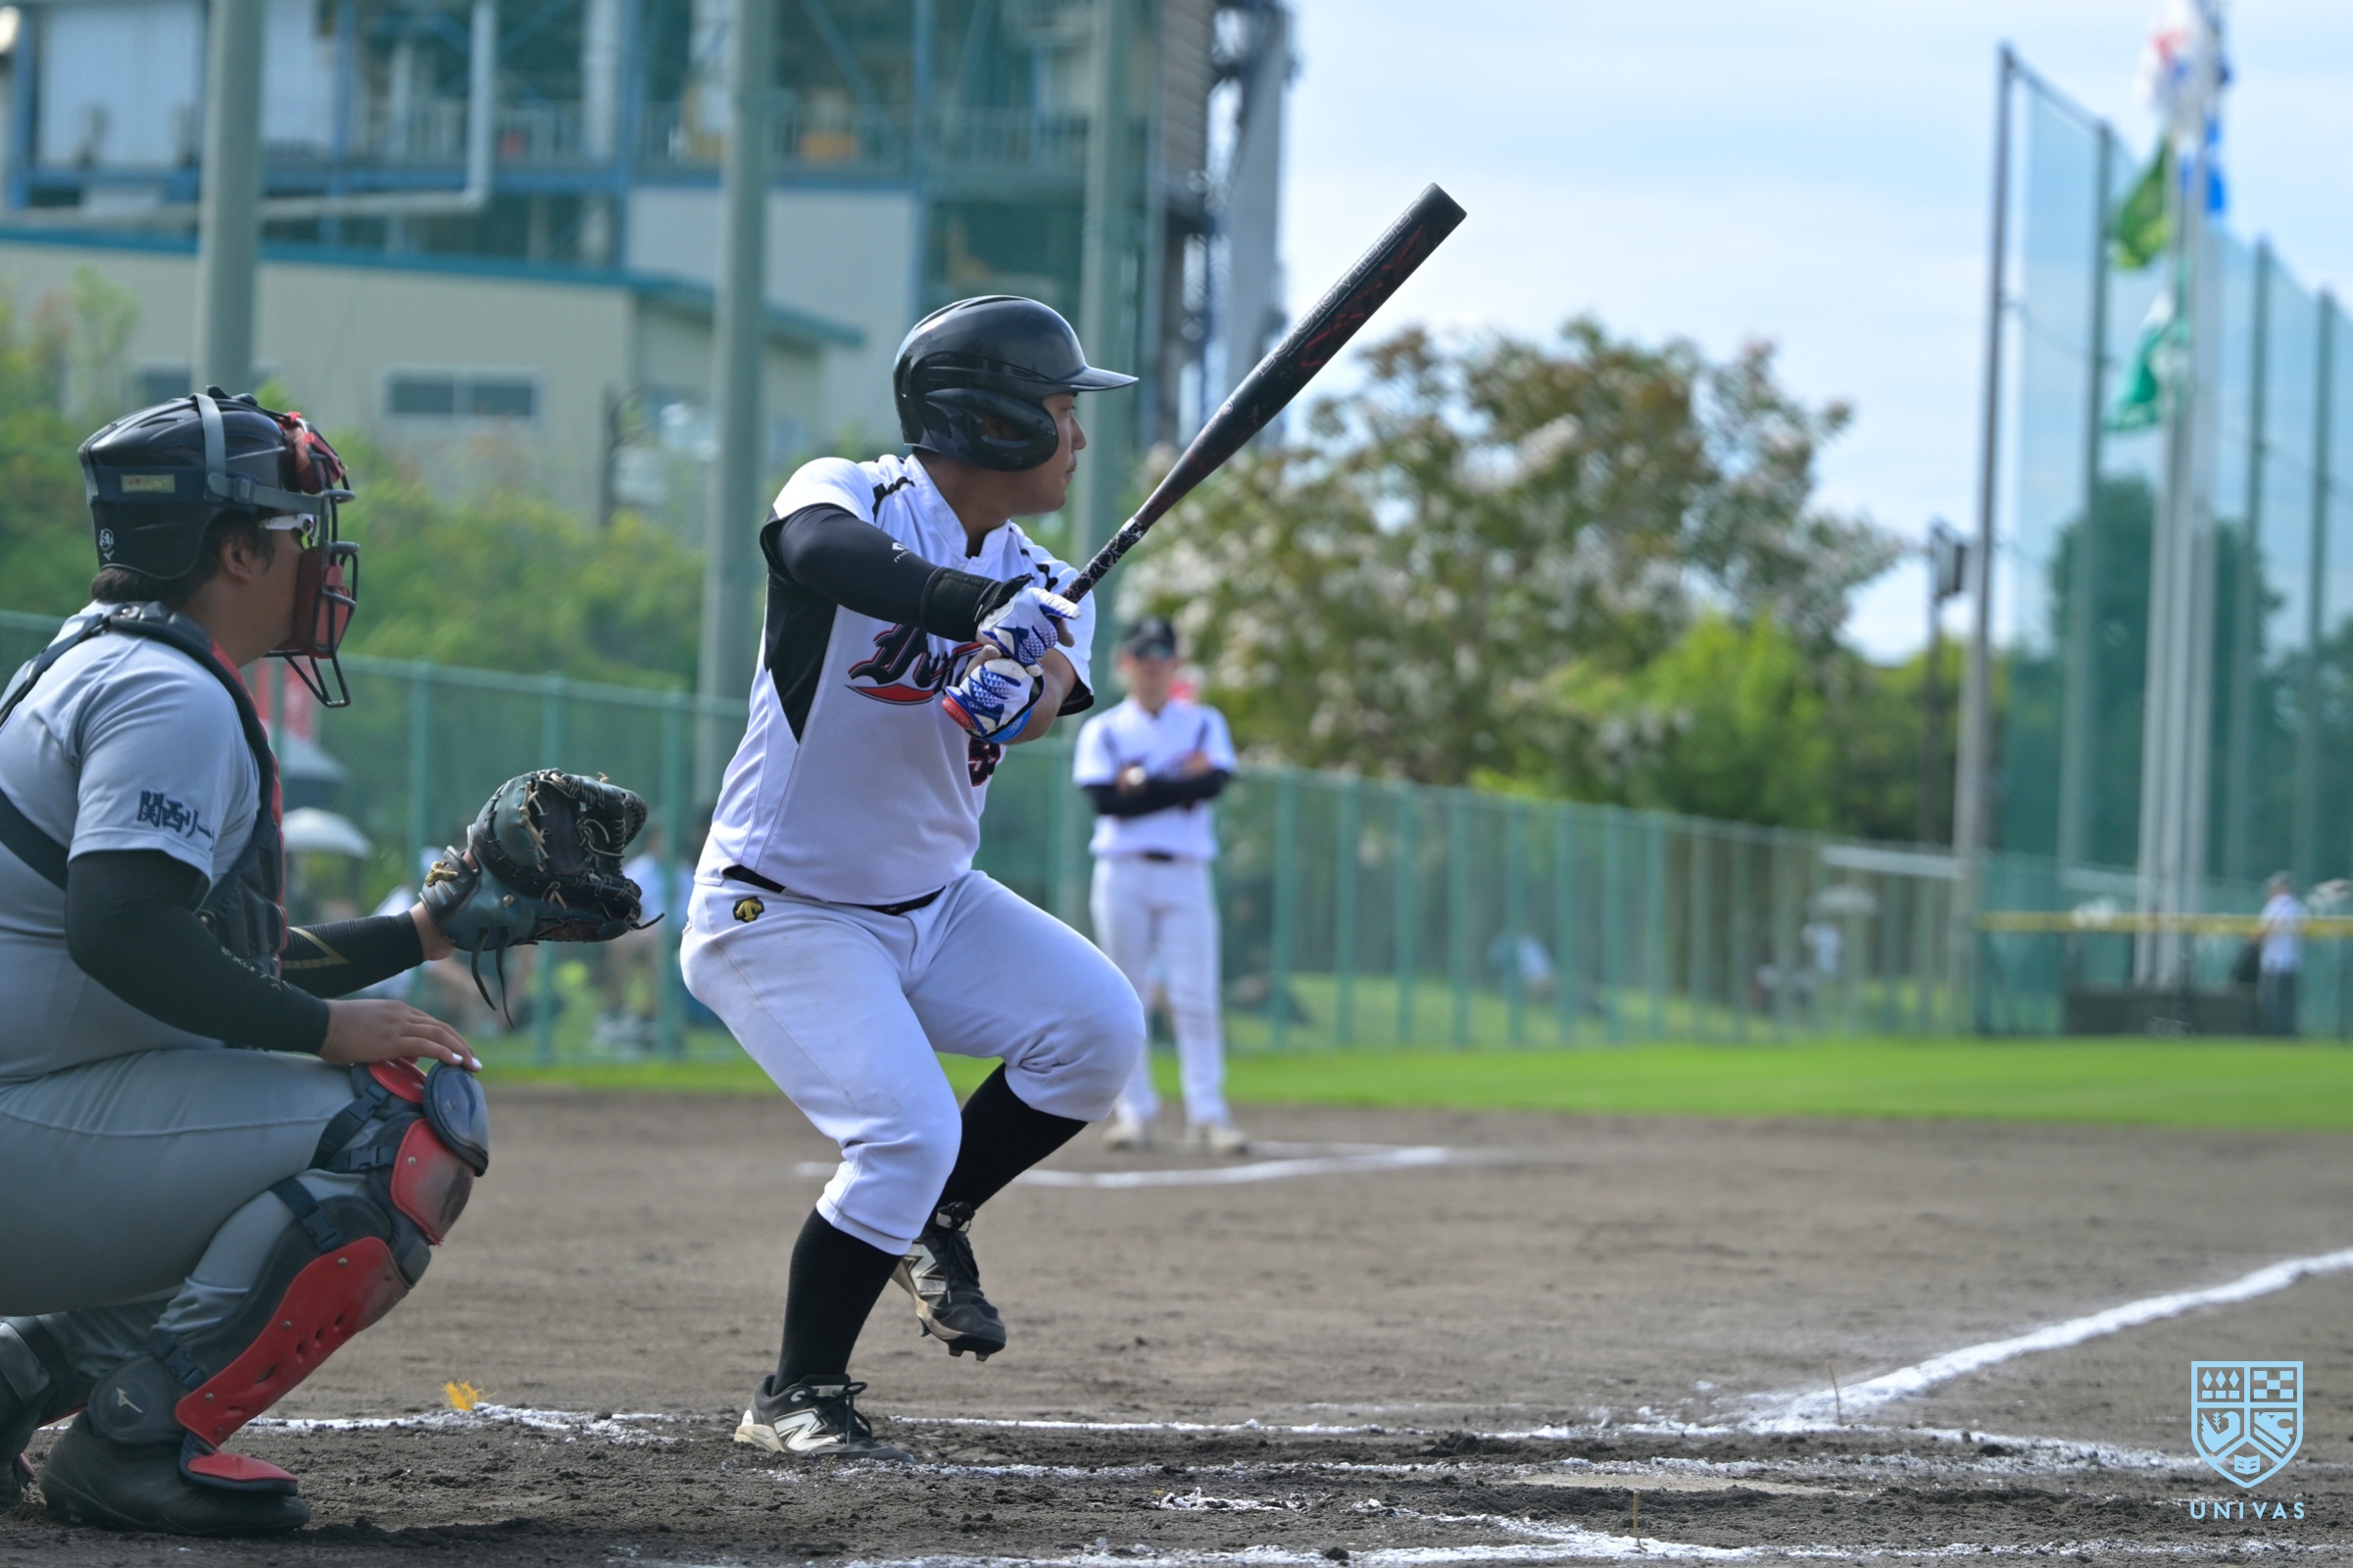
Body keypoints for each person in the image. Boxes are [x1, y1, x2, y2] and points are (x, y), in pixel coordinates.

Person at [0, 392, 494, 1536]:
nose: (314, 557)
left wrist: (426, 933)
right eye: (293, 529)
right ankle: (135, 1444)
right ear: (234, 550)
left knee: (281, 1147)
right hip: (23, 1131)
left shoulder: (99, 664)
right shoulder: (168, 692)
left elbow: (216, 960)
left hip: (31, 1115)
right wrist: (328, 1029)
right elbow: (124, 931)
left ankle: (16, 1376)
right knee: (393, 1126)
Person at [681, 296, 1146, 1462]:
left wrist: (1018, 686)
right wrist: (974, 610)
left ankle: (937, 1217)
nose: (1077, 436)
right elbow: (818, 555)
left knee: (1097, 1029)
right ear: (990, 421)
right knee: (904, 1129)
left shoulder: (1050, 580)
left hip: (933, 905)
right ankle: (795, 1392)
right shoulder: (847, 492)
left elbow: (1047, 699)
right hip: (779, 909)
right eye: (1059, 409)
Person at [1072, 616, 1244, 1153]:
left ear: (1176, 664)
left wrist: (1142, 781)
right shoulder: (1104, 729)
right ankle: (1136, 1114)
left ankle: (1208, 1114)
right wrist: (1179, 781)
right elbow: (1107, 802)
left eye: (1161, 656)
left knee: (1196, 995)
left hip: (1186, 870)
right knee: (1128, 995)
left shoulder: (1203, 723)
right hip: (1122, 870)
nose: (1151, 667)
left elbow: (1214, 783)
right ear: (1124, 662)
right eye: (1141, 656)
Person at [2257, 872, 2305, 1037]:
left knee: (2273, 1001)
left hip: (2274, 961)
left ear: (2283, 887)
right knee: (2288, 1001)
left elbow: (2262, 931)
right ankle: (2288, 1032)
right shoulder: (2298, 906)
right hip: (2291, 961)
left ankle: (2275, 1033)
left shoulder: (2277, 904)